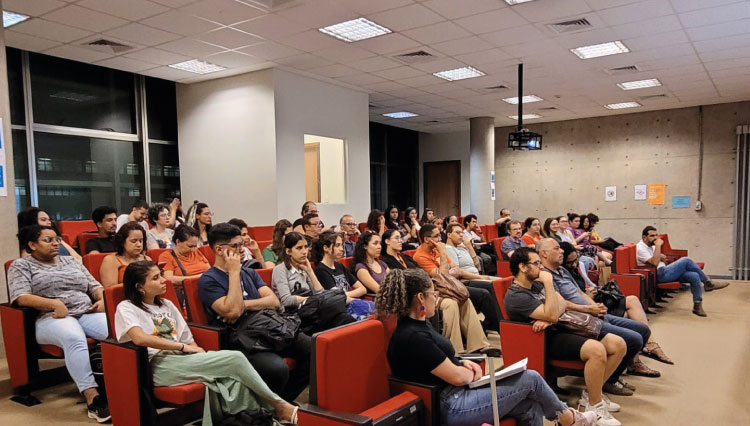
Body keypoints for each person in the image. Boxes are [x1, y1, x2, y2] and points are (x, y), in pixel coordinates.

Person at [378, 268, 596, 426]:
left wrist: (462, 361)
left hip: (457, 394)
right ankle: (570, 420)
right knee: (531, 379)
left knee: (531, 403)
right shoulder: (412, 336)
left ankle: (567, 420)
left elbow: (438, 359)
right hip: (450, 405)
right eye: (433, 293)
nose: (436, 297)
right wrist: (464, 372)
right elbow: (457, 378)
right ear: (420, 298)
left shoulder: (419, 325)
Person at [116, 260, 299, 426]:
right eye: (156, 278)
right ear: (140, 287)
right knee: (235, 358)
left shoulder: (167, 305)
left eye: (161, 275)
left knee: (233, 381)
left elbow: (187, 337)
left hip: (182, 358)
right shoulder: (127, 307)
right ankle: (280, 406)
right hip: (159, 364)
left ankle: (259, 420)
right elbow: (140, 338)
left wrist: (198, 352)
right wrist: (182, 347)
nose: (164, 280)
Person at [505, 247, 624, 426]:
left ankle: (592, 394)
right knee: (597, 350)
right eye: (536, 263)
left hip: (557, 328)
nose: (541, 267)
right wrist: (549, 293)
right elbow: (554, 312)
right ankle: (594, 406)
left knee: (618, 344)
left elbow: (562, 304)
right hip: (543, 340)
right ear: (523, 267)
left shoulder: (535, 284)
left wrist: (549, 317)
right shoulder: (516, 296)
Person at [8, 225, 110, 422]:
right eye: (49, 240)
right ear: (32, 245)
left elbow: (94, 286)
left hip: (86, 312)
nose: (56, 244)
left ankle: (131, 385)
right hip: (50, 318)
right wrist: (53, 303)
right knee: (74, 337)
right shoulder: (21, 265)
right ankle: (92, 397)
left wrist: (102, 299)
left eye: (57, 239)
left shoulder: (70, 261)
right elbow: (20, 296)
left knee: (119, 330)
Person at [198, 223, 310, 401]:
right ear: (219, 249)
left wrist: (243, 304)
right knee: (277, 369)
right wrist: (234, 272)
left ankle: (279, 403)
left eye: (241, 244)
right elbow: (233, 313)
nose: (242, 250)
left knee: (313, 350)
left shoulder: (249, 273)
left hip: (268, 326)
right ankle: (272, 407)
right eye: (235, 246)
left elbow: (273, 301)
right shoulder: (208, 280)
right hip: (241, 338)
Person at [537, 238, 651, 396]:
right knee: (634, 339)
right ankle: (607, 381)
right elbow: (560, 304)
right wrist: (589, 309)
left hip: (593, 313)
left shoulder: (562, 270)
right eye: (557, 248)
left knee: (643, 330)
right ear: (544, 253)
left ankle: (616, 371)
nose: (562, 250)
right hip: (580, 320)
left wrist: (596, 306)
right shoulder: (545, 276)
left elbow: (580, 292)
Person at [561, 244, 674, 371]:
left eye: (576, 259)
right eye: (570, 262)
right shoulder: (560, 273)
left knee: (633, 301)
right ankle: (642, 353)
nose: (575, 264)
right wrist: (590, 301)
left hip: (593, 300)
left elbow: (584, 286)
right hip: (585, 309)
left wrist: (594, 291)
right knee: (632, 318)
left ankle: (649, 344)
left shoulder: (570, 270)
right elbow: (567, 300)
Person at [413, 224, 489, 353]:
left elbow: (455, 269)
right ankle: (455, 349)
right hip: (433, 293)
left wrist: (445, 268)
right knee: (451, 304)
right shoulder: (420, 256)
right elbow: (442, 275)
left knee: (465, 299)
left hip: (447, 289)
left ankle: (478, 345)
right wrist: (443, 255)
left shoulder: (436, 250)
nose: (440, 239)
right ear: (427, 239)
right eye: (437, 236)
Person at [272, 231, 354, 332]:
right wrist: (312, 300)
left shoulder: (304, 267)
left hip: (311, 311)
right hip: (293, 317)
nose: (304, 251)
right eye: (299, 248)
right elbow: (286, 300)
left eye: (306, 247)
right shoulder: (280, 269)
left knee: (345, 319)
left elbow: (320, 292)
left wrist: (309, 271)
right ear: (288, 251)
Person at [637, 226, 728, 317]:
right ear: (644, 237)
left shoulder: (650, 246)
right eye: (652, 236)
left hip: (664, 271)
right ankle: (708, 283)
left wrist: (660, 255)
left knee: (694, 276)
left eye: (656, 235)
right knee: (686, 260)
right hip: (657, 275)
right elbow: (655, 263)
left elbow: (654, 258)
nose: (655, 238)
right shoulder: (640, 248)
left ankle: (697, 305)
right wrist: (658, 246)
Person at [444, 223, 502, 333]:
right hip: (466, 279)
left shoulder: (461, 248)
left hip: (475, 274)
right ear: (449, 235)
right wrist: (480, 277)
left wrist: (469, 247)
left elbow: (477, 265)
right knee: (491, 286)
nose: (461, 235)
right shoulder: (449, 249)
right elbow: (457, 272)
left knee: (502, 282)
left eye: (461, 232)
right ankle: (497, 324)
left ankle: (496, 320)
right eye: (457, 232)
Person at [311, 231, 374, 320]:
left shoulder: (339, 265)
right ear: (326, 248)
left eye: (342, 245)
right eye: (337, 245)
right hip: (340, 311)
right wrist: (346, 296)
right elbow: (336, 298)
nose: (341, 249)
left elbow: (362, 289)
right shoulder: (321, 270)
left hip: (350, 303)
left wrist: (345, 295)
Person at [17, 207, 81, 262]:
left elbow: (78, 258)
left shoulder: (58, 239)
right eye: (43, 220)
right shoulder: (27, 252)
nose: (49, 222)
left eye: (49, 220)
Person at [100, 222, 151, 287]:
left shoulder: (147, 259)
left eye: (141, 241)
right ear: (122, 242)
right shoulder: (111, 260)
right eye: (134, 241)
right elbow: (110, 290)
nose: (139, 245)